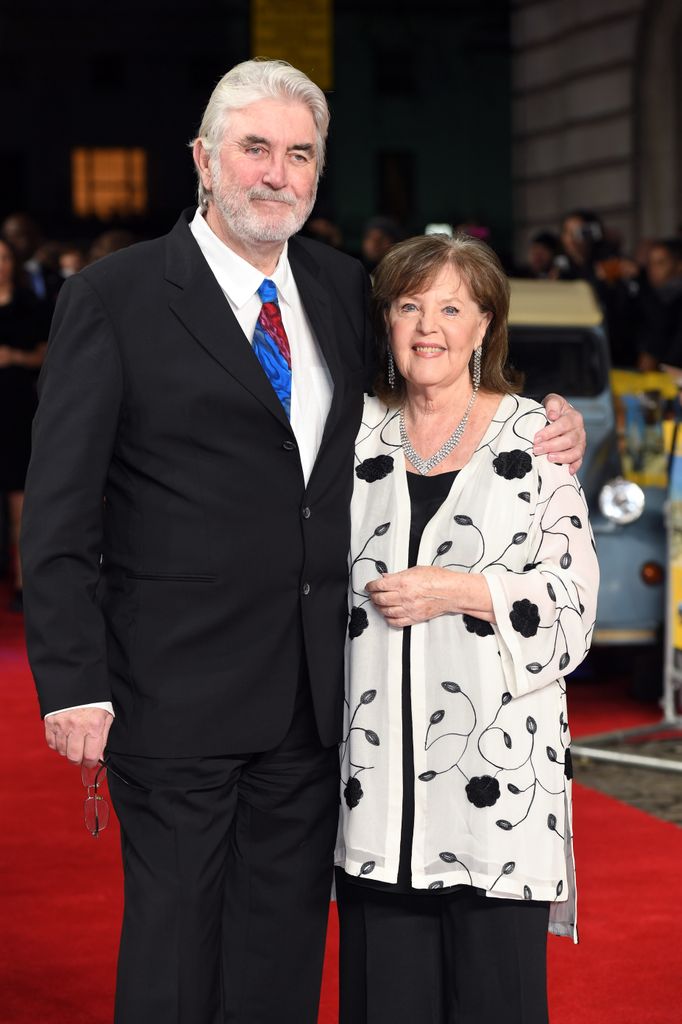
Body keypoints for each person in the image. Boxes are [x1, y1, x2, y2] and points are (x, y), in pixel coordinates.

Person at [21, 60, 586, 1024]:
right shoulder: (113, 298)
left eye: (300, 154)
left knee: (282, 943)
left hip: (321, 694)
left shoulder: (338, 286)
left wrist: (540, 416)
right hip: (172, 687)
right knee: (174, 938)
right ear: (203, 160)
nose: (277, 174)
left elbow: (427, 383)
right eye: (255, 150)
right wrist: (73, 679)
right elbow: (61, 509)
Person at [335, 233, 599, 1024]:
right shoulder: (351, 438)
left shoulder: (536, 441)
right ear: (385, 320)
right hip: (374, 796)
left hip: (500, 797)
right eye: (409, 305)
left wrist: (461, 590)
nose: (428, 326)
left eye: (451, 307)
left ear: (485, 325)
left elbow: (572, 611)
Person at [0, 238, 49, 610]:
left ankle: (22, 582)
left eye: (3, 258)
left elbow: (46, 352)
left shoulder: (29, 305)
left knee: (22, 500)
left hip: (17, 408)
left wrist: (12, 355)